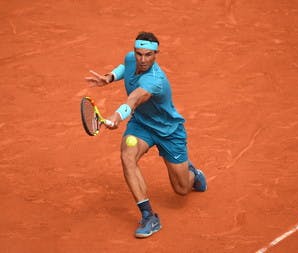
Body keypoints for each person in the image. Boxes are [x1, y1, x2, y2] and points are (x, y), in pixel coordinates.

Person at [85, 31, 207, 238]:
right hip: (141, 125)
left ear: (156, 54)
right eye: (139, 54)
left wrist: (116, 116)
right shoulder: (131, 58)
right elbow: (126, 67)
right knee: (127, 155)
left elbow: (133, 100)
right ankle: (149, 216)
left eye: (148, 55)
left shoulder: (155, 81)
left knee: (181, 189)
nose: (142, 59)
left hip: (169, 131)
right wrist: (110, 77)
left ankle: (193, 174)